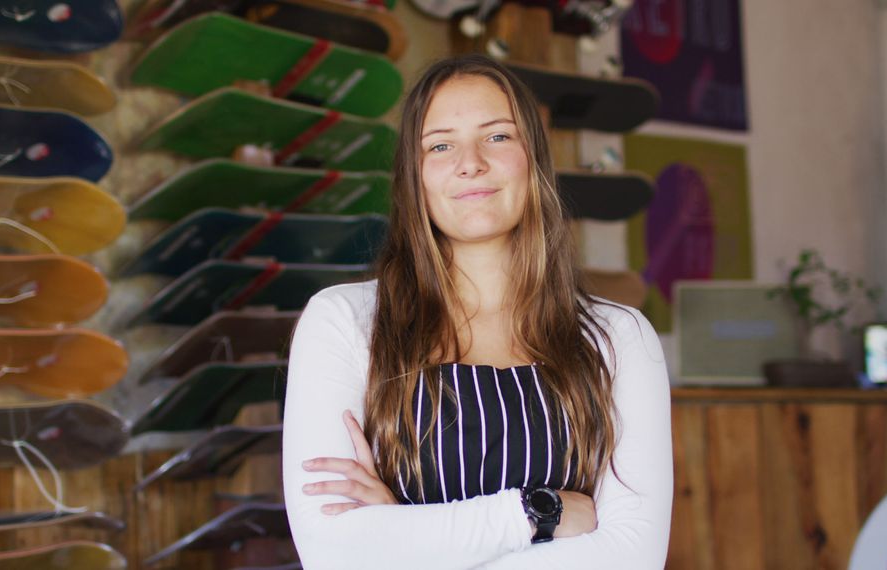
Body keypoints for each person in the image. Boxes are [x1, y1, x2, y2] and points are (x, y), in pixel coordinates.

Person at [282, 54, 672, 569]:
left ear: (533, 160)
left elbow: (630, 559)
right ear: (413, 177)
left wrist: (403, 535)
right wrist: (540, 514)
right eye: (440, 145)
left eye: (497, 137)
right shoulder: (344, 321)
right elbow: (335, 554)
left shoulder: (618, 338)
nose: (471, 162)